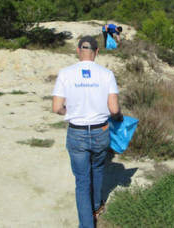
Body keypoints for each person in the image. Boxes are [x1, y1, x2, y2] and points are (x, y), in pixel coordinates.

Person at [52, 36, 123, 228]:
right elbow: (114, 110)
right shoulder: (106, 74)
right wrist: (119, 119)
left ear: (77, 50)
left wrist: (72, 113)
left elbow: (57, 107)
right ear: (97, 51)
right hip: (101, 131)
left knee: (82, 181)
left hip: (77, 132)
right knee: (98, 169)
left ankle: (86, 224)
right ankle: (96, 207)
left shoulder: (66, 73)